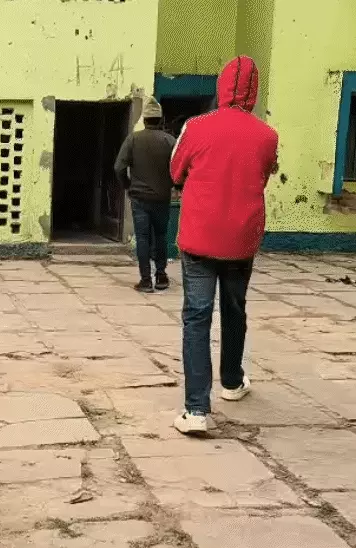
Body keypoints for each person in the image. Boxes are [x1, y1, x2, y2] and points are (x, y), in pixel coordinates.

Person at [169, 56, 279, 434]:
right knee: (235, 309)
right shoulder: (267, 135)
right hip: (241, 239)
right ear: (254, 91)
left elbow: (175, 170)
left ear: (221, 86)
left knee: (197, 316)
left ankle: (196, 410)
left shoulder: (196, 126)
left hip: (199, 236)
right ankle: (232, 382)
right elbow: (263, 176)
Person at [114, 97, 176, 292]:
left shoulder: (133, 139)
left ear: (145, 120)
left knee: (142, 238)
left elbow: (118, 167)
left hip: (139, 198)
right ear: (160, 119)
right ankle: (161, 275)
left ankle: (146, 280)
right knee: (161, 236)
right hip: (162, 198)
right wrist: (172, 185)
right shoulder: (170, 141)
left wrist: (127, 185)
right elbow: (179, 168)